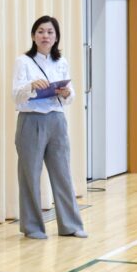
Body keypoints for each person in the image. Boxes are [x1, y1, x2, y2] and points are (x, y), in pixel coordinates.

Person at [11, 15, 87, 240]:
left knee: (63, 173)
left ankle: (70, 225)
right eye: (41, 31)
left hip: (57, 120)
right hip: (30, 120)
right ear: (33, 36)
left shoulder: (61, 62)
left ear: (56, 37)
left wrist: (66, 92)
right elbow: (15, 96)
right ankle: (32, 227)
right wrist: (30, 86)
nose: (45, 36)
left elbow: (71, 96)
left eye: (50, 32)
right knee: (30, 175)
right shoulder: (23, 61)